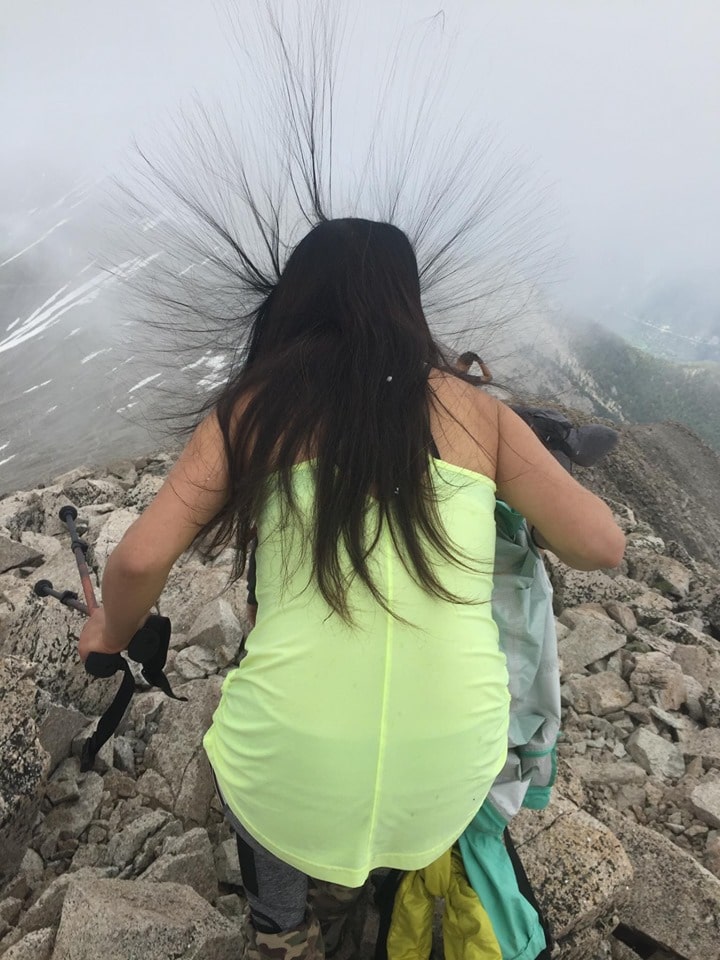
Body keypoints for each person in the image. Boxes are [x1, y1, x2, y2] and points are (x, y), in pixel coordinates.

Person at [78, 218, 624, 959]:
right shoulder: (478, 412)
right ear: (408, 302)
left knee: (263, 762)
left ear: (297, 300)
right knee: (404, 781)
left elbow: (139, 561)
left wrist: (108, 634)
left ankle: (283, 929)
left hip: (290, 782)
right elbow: (601, 545)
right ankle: (387, 888)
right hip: (453, 779)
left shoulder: (256, 407)